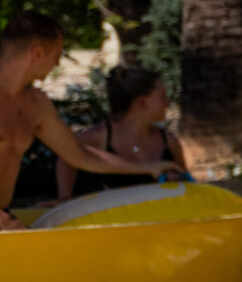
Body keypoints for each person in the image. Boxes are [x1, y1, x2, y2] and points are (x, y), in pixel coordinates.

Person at [0, 15, 187, 228]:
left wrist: (150, 167)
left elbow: (81, 156)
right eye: (57, 54)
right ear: (38, 53)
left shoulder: (36, 105)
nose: (58, 63)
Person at [57, 65, 190, 198]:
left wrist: (177, 179)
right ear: (142, 103)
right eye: (163, 97)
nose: (168, 103)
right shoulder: (99, 137)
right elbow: (65, 158)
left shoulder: (169, 142)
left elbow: (186, 186)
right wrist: (64, 197)